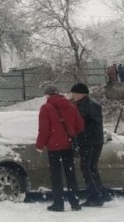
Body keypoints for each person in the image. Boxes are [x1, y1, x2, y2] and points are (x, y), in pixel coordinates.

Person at [36, 84, 83, 212]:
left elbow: (44, 130)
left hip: (54, 148)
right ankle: (75, 202)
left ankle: (58, 203)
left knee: (56, 176)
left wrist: (39, 146)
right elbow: (80, 125)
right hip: (68, 146)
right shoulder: (71, 106)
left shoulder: (46, 108)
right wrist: (71, 134)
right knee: (70, 174)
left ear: (47, 95)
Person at [70, 82, 109, 206]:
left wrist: (82, 133)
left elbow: (96, 125)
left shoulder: (90, 105)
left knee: (87, 167)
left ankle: (95, 195)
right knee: (90, 168)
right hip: (87, 141)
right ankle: (100, 193)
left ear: (82, 94)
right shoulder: (80, 105)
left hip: (92, 142)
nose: (73, 95)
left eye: (75, 93)